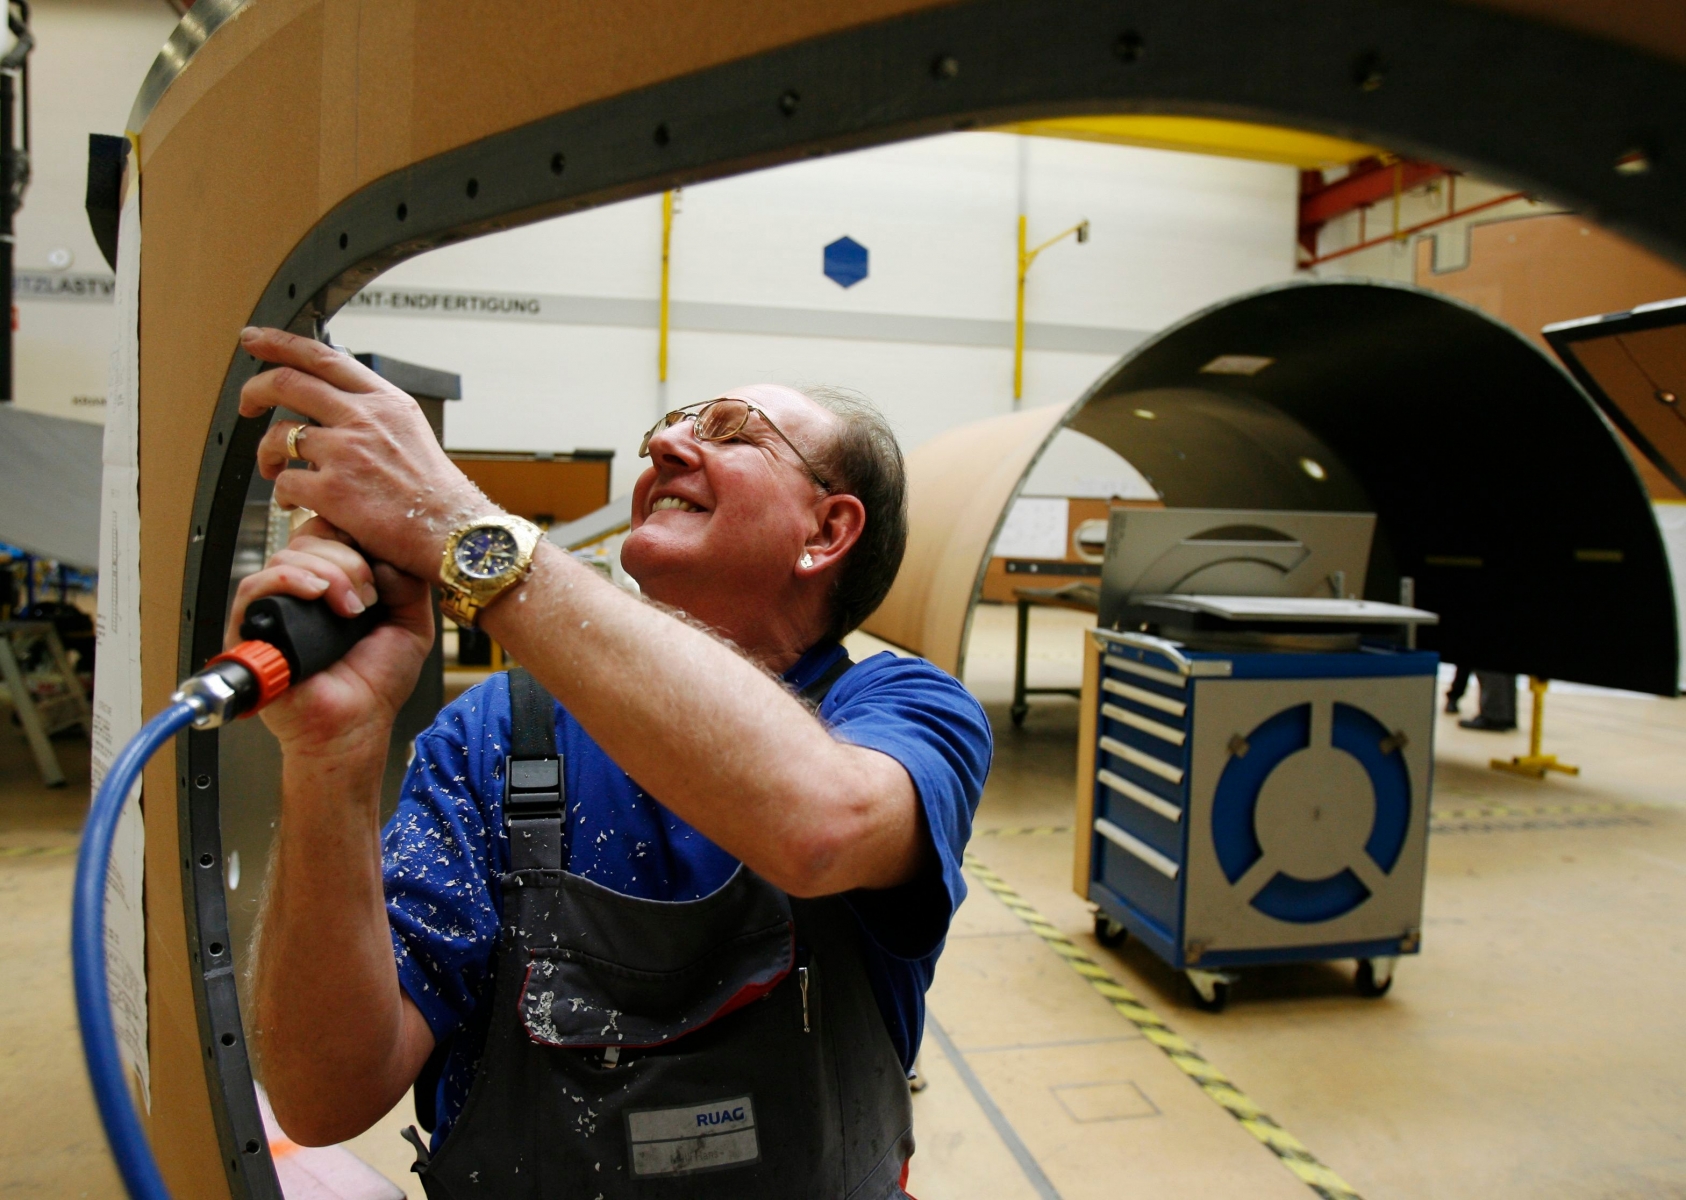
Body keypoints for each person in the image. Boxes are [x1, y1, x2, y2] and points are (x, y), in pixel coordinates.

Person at [232, 327, 991, 1199]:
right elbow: (325, 1097)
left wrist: (464, 531)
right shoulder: (493, 734)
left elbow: (818, 825)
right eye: (672, 428)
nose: (665, 445)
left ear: (827, 530)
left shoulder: (903, 713)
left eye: (734, 432)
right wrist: (332, 757)